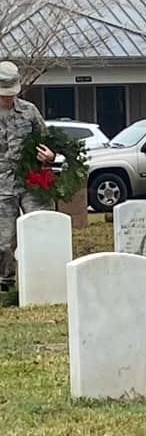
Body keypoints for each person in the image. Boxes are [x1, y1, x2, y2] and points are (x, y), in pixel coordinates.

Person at [0, 61, 56, 292]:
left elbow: (47, 140)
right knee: (4, 242)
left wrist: (50, 156)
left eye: (11, 93)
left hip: (31, 180)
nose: (7, 98)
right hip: (2, 184)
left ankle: (45, 278)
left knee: (42, 228)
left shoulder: (29, 111)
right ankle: (5, 282)